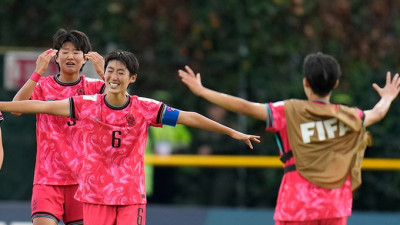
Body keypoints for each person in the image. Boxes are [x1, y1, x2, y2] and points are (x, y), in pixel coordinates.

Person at [0, 50, 260, 225]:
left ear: (132, 78)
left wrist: (231, 131)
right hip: (95, 196)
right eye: (110, 71)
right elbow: (39, 107)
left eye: (120, 72)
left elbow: (189, 117)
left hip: (130, 197)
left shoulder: (145, 108)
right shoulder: (87, 104)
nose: (113, 76)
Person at [178, 52, 400, 225]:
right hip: (335, 205)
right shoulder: (349, 116)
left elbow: (245, 107)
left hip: (297, 204)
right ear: (335, 84)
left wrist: (203, 91)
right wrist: (388, 97)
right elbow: (377, 113)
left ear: (305, 82)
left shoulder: (288, 111)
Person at [12, 28, 105, 225]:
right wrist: (37, 72)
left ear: (85, 58)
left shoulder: (95, 88)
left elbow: (126, 105)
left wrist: (104, 73)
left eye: (76, 51)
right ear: (56, 56)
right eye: (65, 51)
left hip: (83, 180)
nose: (70, 56)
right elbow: (16, 108)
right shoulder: (43, 86)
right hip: (47, 179)